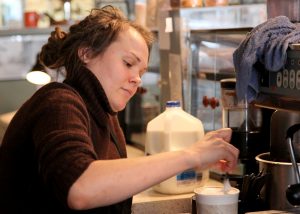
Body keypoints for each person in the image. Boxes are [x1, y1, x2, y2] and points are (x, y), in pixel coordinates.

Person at [0, 5, 239, 214]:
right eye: (128, 63)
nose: (137, 79)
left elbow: (112, 181)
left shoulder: (105, 114)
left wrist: (194, 160)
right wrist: (191, 155)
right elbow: (80, 187)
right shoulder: (58, 102)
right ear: (86, 53)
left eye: (141, 73)